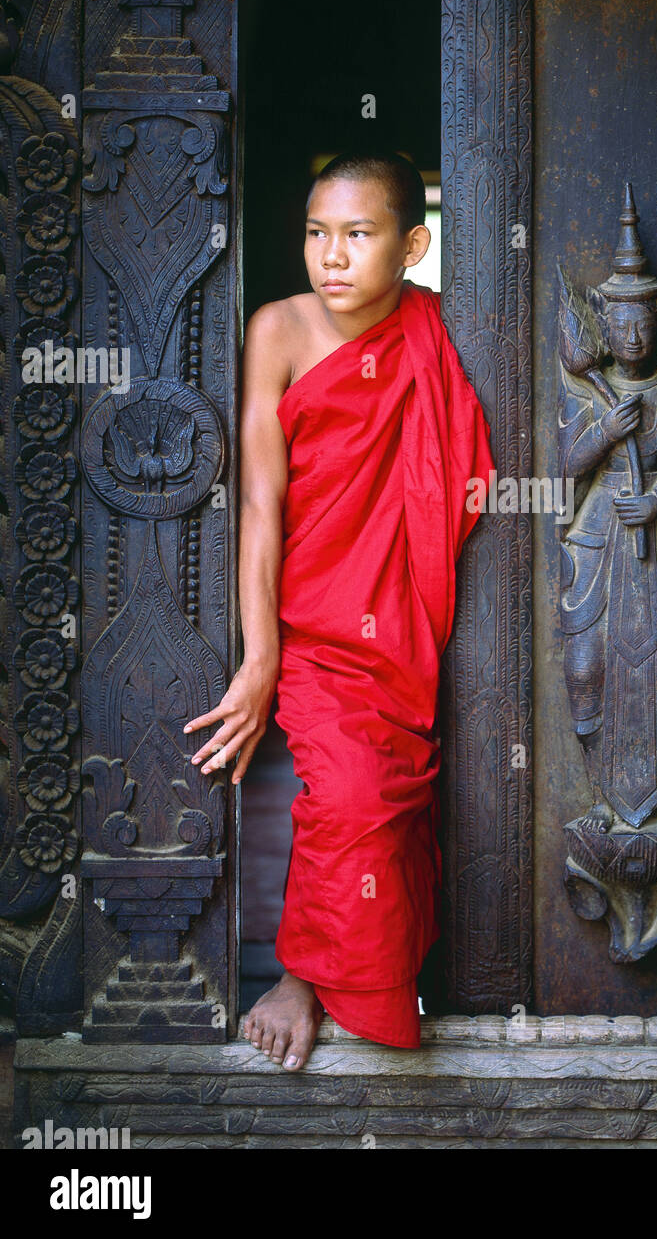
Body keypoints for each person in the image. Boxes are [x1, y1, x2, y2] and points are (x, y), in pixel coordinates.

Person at [182, 148, 494, 1071]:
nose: (332, 255)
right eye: (318, 233)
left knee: (388, 803)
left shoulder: (438, 329)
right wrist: (259, 656)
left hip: (396, 624)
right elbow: (261, 503)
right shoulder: (278, 329)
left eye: (359, 235)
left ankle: (350, 974)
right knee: (350, 794)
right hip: (313, 623)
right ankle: (301, 975)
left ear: (411, 246)